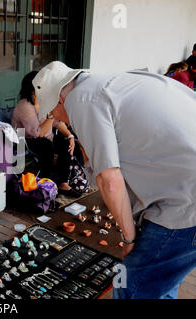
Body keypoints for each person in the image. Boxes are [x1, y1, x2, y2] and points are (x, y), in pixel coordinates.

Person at [33, 61, 196, 299]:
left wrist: (128, 237)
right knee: (160, 281)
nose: (57, 118)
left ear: (60, 99)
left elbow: (109, 180)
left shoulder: (82, 99)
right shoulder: (111, 82)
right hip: (182, 191)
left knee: (132, 285)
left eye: (52, 111)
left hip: (185, 204)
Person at [12, 71, 82, 198]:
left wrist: (69, 135)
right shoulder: (24, 106)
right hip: (28, 141)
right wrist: (51, 115)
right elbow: (38, 133)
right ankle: (46, 182)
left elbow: (57, 122)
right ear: (33, 87)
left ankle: (64, 182)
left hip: (47, 137)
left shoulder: (44, 102)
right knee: (46, 146)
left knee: (66, 143)